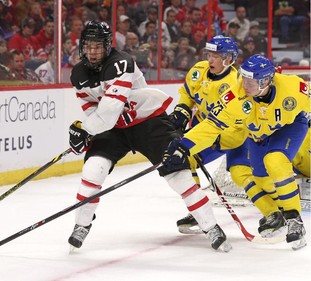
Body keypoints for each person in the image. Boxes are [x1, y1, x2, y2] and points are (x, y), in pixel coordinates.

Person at [67, 21, 232, 252]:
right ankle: (81, 225)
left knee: (178, 174)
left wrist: (85, 129)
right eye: (89, 46)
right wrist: (83, 134)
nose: (93, 52)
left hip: (148, 122)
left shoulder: (120, 63)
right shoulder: (78, 74)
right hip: (114, 130)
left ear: (107, 46)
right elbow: (93, 111)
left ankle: (211, 226)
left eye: (98, 46)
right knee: (93, 169)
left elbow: (109, 110)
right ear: (82, 47)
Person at [163, 54, 309, 250]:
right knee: (261, 179)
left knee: (275, 161)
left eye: (251, 81)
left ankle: (294, 219)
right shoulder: (234, 97)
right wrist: (183, 146)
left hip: (289, 127)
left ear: (266, 80)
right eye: (244, 78)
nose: (245, 85)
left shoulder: (293, 88)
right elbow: (211, 126)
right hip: (257, 135)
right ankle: (278, 214)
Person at [168, 36, 252, 234]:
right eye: (209, 54)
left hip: (235, 135)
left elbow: (238, 118)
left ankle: (274, 213)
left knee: (244, 177)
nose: (211, 59)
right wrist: (182, 111)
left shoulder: (237, 84)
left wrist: (205, 136)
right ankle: (198, 211)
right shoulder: (199, 71)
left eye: (217, 56)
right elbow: (188, 95)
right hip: (208, 131)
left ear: (230, 58)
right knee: (184, 161)